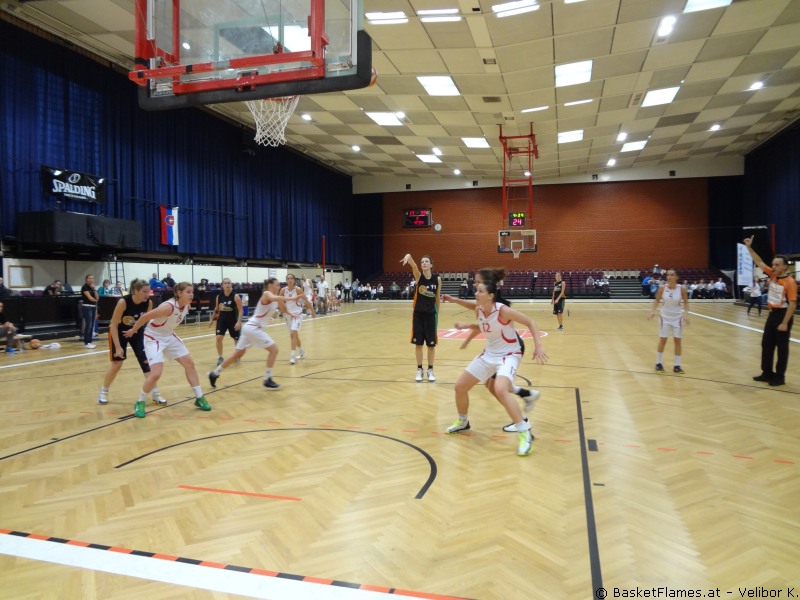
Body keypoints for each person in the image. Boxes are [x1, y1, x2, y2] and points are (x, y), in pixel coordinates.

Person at [443, 272, 548, 456]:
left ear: (490, 295)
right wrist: (456, 307)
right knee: (460, 387)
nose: (476, 293)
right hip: (489, 354)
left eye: (480, 291)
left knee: (499, 389)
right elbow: (484, 325)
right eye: (476, 290)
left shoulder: (502, 310)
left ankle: (524, 432)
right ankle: (463, 421)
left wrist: (538, 346)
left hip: (509, 354)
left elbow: (530, 322)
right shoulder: (479, 310)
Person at [123, 281, 210, 418]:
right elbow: (145, 317)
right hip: (153, 337)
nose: (191, 295)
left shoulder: (186, 306)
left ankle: (199, 398)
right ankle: (140, 402)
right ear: (179, 293)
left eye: (192, 292)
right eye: (188, 292)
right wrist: (133, 330)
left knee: (189, 364)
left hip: (168, 336)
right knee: (156, 374)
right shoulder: (168, 307)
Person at [209, 278, 294, 391]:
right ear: (270, 286)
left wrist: (293, 313)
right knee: (274, 350)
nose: (279, 287)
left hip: (249, 328)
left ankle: (214, 373)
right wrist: (293, 297)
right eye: (277, 285)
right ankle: (267, 379)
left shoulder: (276, 298)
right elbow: (275, 298)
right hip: (254, 328)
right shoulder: (267, 294)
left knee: (237, 355)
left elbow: (284, 308)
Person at [97, 279, 166, 406]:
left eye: (148, 291)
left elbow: (146, 322)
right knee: (117, 364)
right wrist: (118, 347)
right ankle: (103, 391)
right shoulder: (123, 302)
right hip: (119, 333)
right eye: (144, 292)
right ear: (135, 291)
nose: (147, 294)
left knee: (146, 363)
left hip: (137, 333)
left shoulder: (148, 303)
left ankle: (155, 393)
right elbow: (113, 325)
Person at [744, 236, 796, 387]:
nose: (774, 266)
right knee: (766, 344)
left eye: (777, 264)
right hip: (772, 314)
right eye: (773, 264)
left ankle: (780, 377)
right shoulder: (772, 274)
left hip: (783, 315)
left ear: (785, 267)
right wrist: (749, 248)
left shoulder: (790, 282)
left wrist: (785, 323)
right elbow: (759, 261)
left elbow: (792, 304)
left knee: (782, 348)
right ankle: (767, 372)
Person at [401, 253, 442, 382]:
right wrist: (408, 256)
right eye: (422, 261)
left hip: (431, 316)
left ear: (431, 265)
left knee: (431, 346)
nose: (423, 263)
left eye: (426, 261)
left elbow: (437, 297)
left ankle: (430, 370)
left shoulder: (437, 279)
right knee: (418, 345)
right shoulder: (419, 277)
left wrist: (437, 313)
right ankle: (419, 369)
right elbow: (413, 266)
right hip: (418, 315)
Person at [648, 268, 689, 374]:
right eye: (668, 275)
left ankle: (677, 366)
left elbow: (686, 303)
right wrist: (652, 311)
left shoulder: (682, 289)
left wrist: (685, 314)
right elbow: (657, 300)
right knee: (663, 340)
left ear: (677, 277)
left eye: (672, 275)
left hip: (677, 318)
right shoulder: (662, 288)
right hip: (664, 317)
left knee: (678, 341)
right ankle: (658, 363)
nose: (669, 277)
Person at [279, 273, 316, 364]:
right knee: (294, 335)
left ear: (294, 280)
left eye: (291, 278)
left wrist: (312, 311)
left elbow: (306, 300)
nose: (290, 280)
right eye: (288, 278)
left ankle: (292, 356)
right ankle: (301, 351)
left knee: (293, 332)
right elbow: (279, 301)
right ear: (286, 280)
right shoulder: (283, 290)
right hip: (288, 315)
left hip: (297, 314)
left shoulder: (298, 289)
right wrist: (282, 310)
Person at [209, 278, 243, 366]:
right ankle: (220, 357)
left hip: (233, 321)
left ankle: (237, 355)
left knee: (236, 338)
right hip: (222, 320)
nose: (227, 284)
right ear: (222, 285)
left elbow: (240, 310)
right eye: (225, 283)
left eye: (229, 283)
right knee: (218, 338)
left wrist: (239, 322)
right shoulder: (219, 296)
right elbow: (216, 309)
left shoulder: (235, 296)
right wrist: (211, 319)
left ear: (231, 285)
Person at [80, 275, 99, 349]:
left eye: (92, 278)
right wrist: (96, 300)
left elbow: (97, 297)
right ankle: (86, 342)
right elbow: (90, 298)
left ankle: (90, 341)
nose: (91, 280)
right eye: (89, 278)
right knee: (88, 324)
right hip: (87, 307)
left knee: (92, 325)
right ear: (86, 279)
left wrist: (94, 289)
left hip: (93, 306)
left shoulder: (92, 288)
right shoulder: (84, 287)